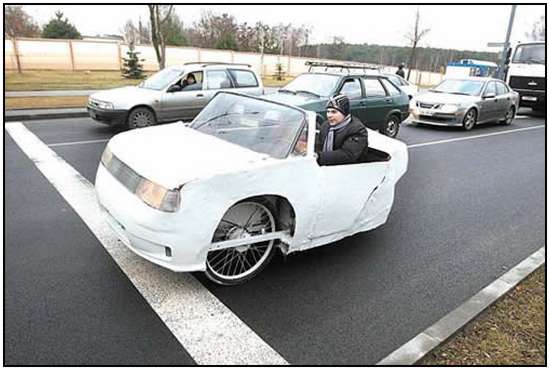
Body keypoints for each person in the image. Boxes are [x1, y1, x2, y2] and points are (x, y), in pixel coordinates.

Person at [315, 94, 368, 166]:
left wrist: (319, 156)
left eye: (334, 112)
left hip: (351, 170)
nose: (329, 115)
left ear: (344, 113)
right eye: (328, 111)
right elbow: (319, 144)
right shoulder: (326, 126)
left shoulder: (357, 130)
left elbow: (347, 155)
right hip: (326, 168)